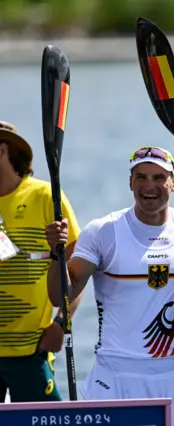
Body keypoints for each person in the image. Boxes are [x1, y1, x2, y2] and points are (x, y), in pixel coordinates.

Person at [45, 146, 174, 426]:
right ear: (130, 183)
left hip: (173, 375)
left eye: (159, 177)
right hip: (114, 376)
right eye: (141, 177)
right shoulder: (103, 231)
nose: (149, 186)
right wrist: (56, 254)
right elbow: (59, 297)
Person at [0, 121, 83, 403]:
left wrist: (61, 323)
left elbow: (78, 272)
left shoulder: (46, 196)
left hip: (31, 350)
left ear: (2, 150)